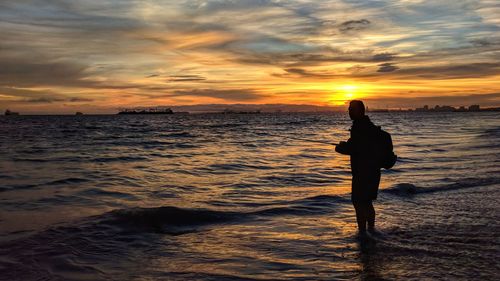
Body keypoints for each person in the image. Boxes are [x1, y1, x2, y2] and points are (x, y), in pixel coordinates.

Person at [335, 100, 381, 236]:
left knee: (358, 202)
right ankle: (371, 230)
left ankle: (362, 233)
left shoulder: (359, 128)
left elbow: (354, 148)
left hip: (362, 172)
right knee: (367, 202)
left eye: (351, 109)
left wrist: (340, 148)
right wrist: (347, 145)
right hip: (373, 171)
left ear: (360, 111)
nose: (349, 111)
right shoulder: (370, 126)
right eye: (349, 109)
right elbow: (358, 146)